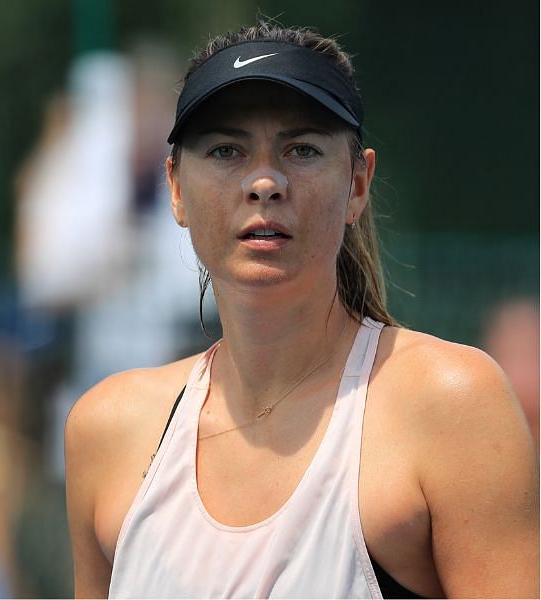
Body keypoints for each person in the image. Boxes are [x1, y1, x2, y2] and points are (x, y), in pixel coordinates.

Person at [64, 23, 538, 598]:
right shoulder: (108, 430)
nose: (265, 181)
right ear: (176, 188)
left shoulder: (452, 404)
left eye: (302, 149)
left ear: (358, 183)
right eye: (225, 150)